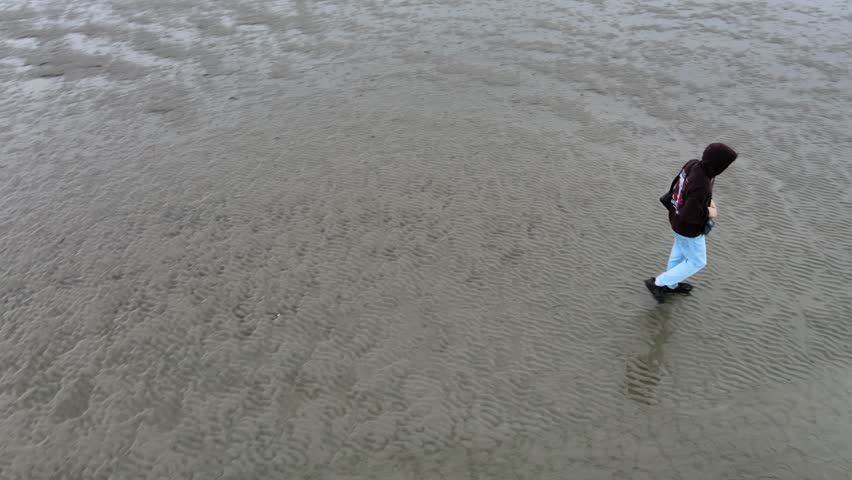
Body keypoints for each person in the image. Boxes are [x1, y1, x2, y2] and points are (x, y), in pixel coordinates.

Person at [645, 143, 738, 303]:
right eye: (725, 165)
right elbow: (690, 215)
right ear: (718, 165)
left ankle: (671, 285)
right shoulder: (702, 185)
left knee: (679, 252)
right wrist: (710, 212)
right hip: (688, 229)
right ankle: (659, 283)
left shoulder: (693, 164)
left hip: (674, 216)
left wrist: (706, 201)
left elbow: (680, 186)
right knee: (697, 261)